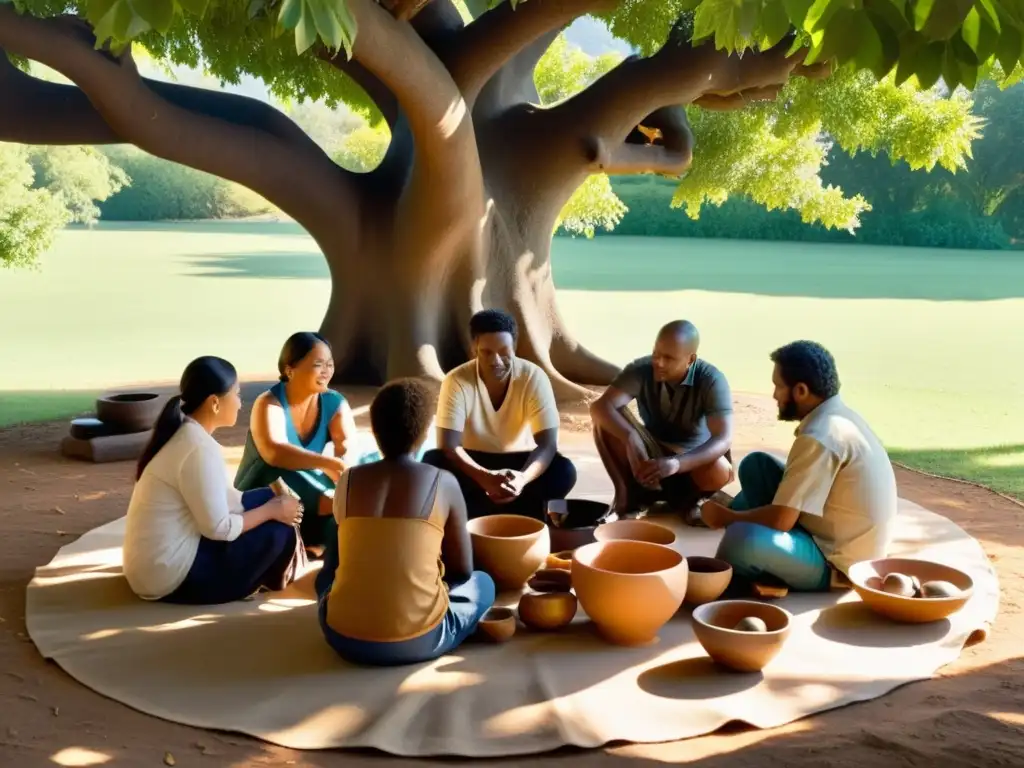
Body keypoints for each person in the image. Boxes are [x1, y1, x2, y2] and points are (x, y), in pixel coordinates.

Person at [315, 378, 496, 666]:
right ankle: (452, 629)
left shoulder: (347, 480)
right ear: (425, 434)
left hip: (340, 636)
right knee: (483, 583)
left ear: (374, 433)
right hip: (416, 640)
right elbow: (461, 571)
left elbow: (336, 564)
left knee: (326, 579)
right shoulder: (444, 482)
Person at [701, 340, 898, 592]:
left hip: (838, 562)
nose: (774, 395)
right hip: (831, 532)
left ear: (801, 391)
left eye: (778, 386)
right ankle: (747, 532)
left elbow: (782, 521)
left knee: (740, 540)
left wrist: (727, 518)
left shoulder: (819, 436)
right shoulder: (839, 417)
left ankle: (762, 560)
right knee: (757, 466)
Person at [123, 356, 305, 605]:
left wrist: (273, 504)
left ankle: (266, 569)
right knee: (278, 531)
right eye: (237, 395)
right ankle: (260, 580)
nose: (240, 404)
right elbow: (219, 528)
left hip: (152, 567)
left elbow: (227, 501)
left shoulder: (187, 433)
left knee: (269, 499)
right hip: (169, 577)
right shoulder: (196, 448)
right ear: (215, 403)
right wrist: (272, 511)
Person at [422, 309, 577, 520]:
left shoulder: (534, 377)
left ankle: (493, 510)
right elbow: (449, 446)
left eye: (504, 351)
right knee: (433, 463)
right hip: (471, 466)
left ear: (514, 347)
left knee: (563, 470)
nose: (496, 360)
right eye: (486, 352)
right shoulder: (456, 380)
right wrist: (485, 478)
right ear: (473, 349)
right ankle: (503, 511)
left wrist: (522, 479)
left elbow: (547, 445)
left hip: (520, 464)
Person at [234, 332, 377, 551]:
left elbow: (346, 445)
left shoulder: (334, 402)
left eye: (329, 364)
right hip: (264, 490)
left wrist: (343, 469)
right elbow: (275, 452)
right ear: (289, 370)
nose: (326, 371)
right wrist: (328, 464)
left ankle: (330, 516)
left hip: (306, 494)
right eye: (318, 364)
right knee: (279, 470)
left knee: (368, 459)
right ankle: (338, 510)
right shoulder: (268, 403)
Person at [590, 320, 734, 520]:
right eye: (656, 353)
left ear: (691, 359)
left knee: (719, 468)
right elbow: (599, 407)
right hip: (652, 457)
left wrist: (677, 464)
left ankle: (695, 501)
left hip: (693, 462)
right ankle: (628, 498)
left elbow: (724, 438)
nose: (658, 362)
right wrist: (631, 437)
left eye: (669, 358)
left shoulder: (712, 379)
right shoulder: (641, 369)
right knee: (605, 423)